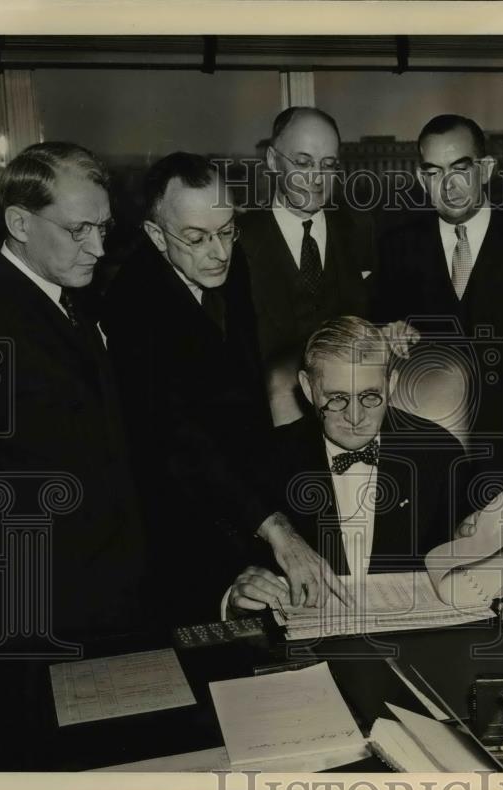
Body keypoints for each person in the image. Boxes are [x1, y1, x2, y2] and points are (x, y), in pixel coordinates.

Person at [101, 153, 346, 623]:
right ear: (157, 235)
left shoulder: (229, 263)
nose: (219, 252)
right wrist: (276, 530)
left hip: (243, 501)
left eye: (227, 230)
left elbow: (244, 401)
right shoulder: (132, 308)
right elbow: (179, 445)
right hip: (180, 526)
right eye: (196, 238)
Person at [0, 142, 146, 680]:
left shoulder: (66, 294)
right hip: (40, 611)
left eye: (103, 227)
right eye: (78, 230)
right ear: (20, 223)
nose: (98, 247)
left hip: (99, 593)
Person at [226, 316, 470, 614]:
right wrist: (237, 597)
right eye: (337, 398)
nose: (355, 417)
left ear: (391, 384)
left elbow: (469, 572)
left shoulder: (439, 453)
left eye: (370, 396)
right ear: (308, 388)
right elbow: (233, 574)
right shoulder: (266, 460)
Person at [373, 114, 503, 460]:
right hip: (428, 448)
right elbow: (375, 329)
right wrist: (387, 332)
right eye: (434, 172)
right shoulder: (396, 246)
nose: (447, 186)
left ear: (486, 170)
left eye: (460, 169)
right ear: (421, 178)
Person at [239, 107, 375, 426]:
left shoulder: (362, 230)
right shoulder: (237, 241)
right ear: (273, 161)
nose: (316, 178)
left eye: (327, 165)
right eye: (302, 163)